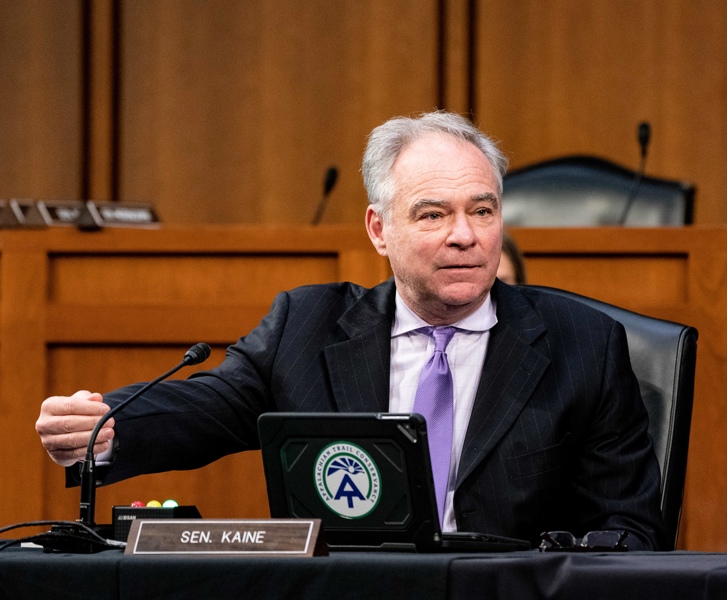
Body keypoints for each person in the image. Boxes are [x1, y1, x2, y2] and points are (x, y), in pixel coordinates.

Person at [35, 111, 665, 549]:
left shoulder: (584, 345)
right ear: (378, 230)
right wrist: (108, 426)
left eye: (482, 210)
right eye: (432, 214)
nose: (465, 235)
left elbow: (629, 530)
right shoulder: (306, 328)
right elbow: (208, 407)